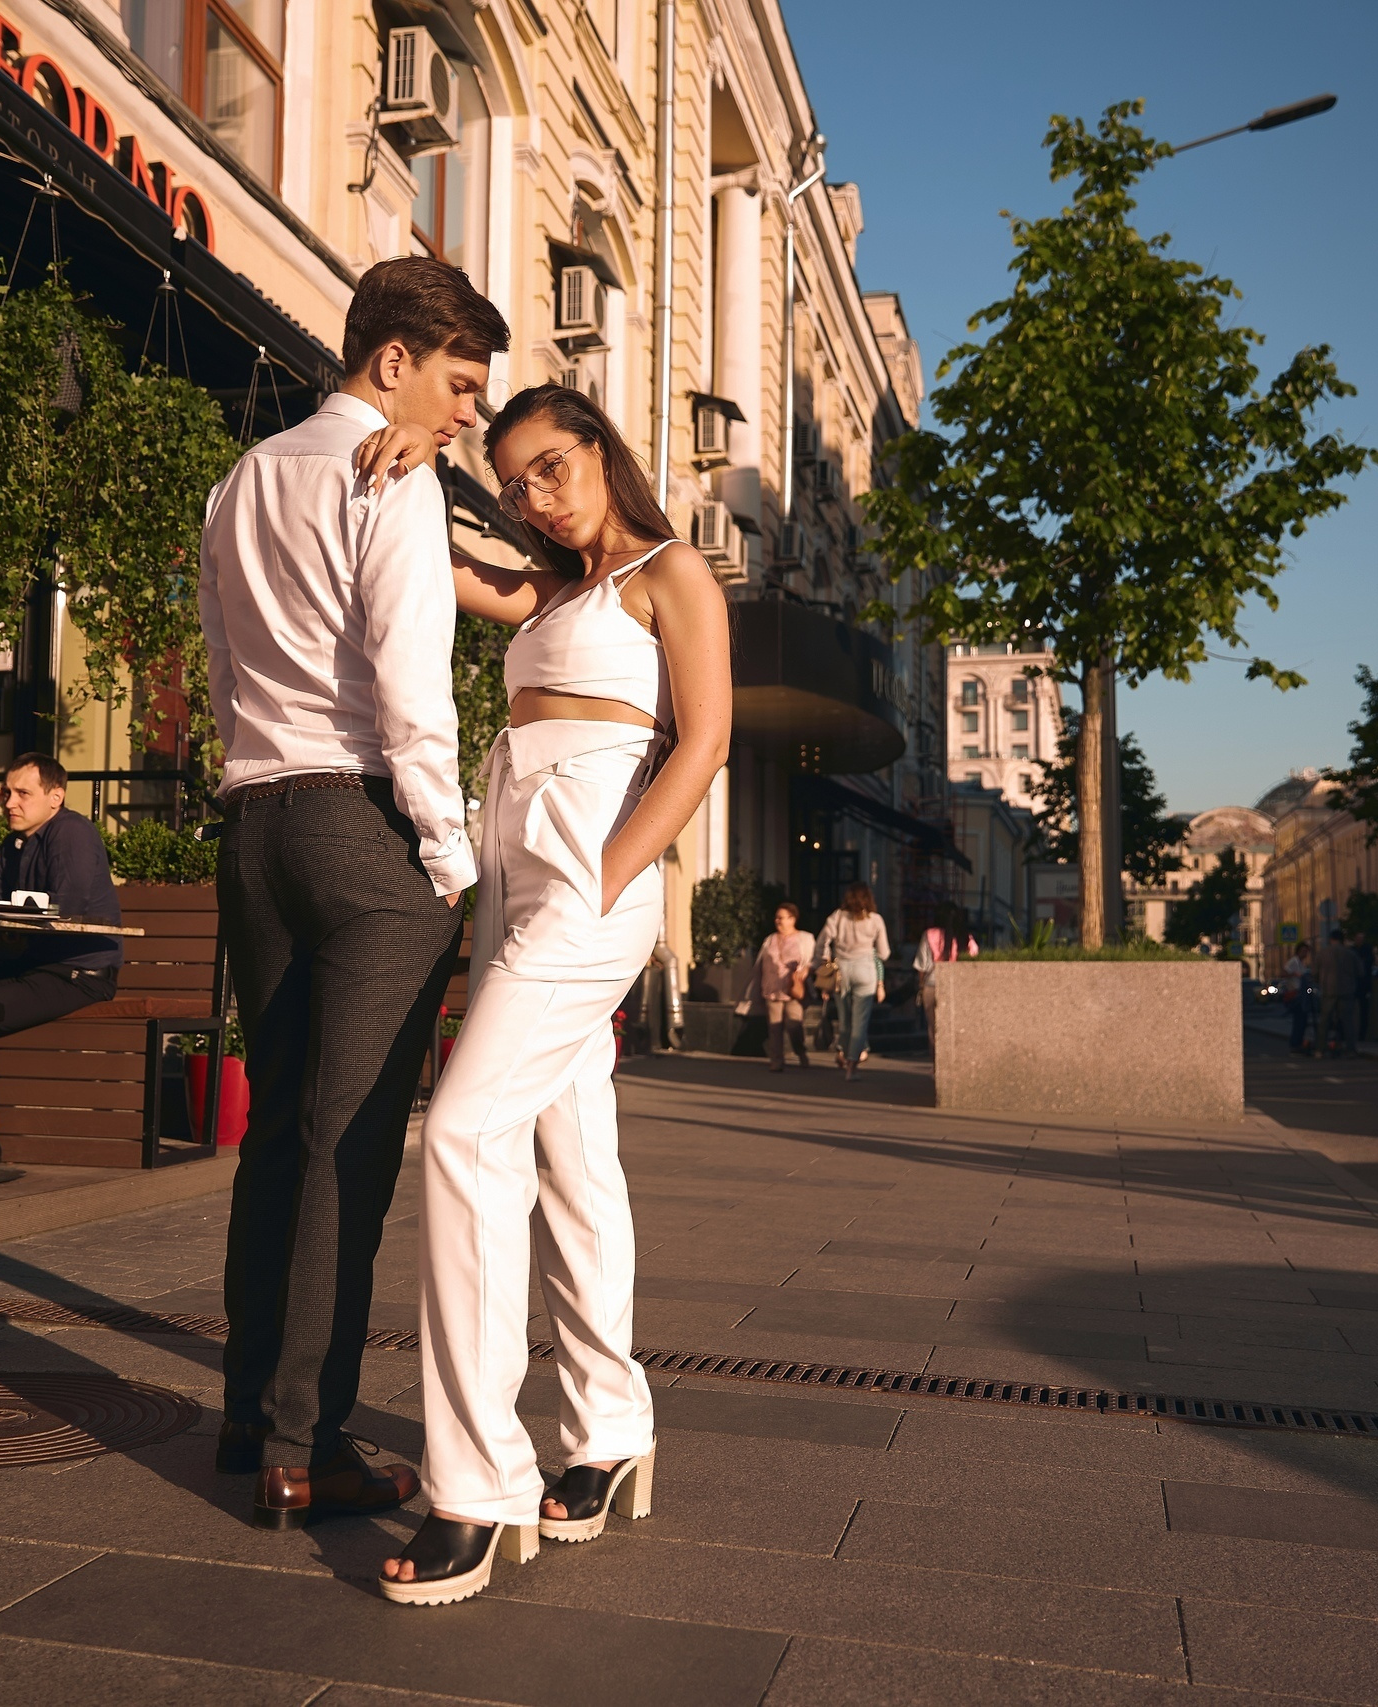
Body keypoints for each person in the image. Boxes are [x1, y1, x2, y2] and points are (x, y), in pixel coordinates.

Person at [364, 380, 730, 1607]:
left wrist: (613, 873)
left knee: (464, 1133)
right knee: (574, 1154)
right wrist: (412, 446)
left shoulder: (669, 574)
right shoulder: (548, 591)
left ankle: (476, 1483)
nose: (534, 494)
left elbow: (705, 740)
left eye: (552, 466)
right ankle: (608, 1430)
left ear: (601, 451)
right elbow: (442, 560)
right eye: (514, 479)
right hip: (515, 857)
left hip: (586, 863)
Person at [195, 257, 504, 1545]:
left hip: (255, 820)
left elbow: (219, 655)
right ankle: (304, 1448)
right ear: (393, 362)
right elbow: (410, 687)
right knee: (349, 1145)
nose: (470, 415)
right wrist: (449, 854)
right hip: (365, 827)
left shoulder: (241, 478)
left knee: (278, 1135)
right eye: (460, 384)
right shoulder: (396, 480)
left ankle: (248, 1413)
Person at [0, 753, 121, 1164]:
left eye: (22, 793)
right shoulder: (14, 843)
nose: (9, 802)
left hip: (79, 971)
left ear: (55, 797)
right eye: (8, 792)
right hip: (32, 965)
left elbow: (68, 908)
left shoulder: (71, 834)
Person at [816, 884, 891, 1079]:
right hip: (865, 970)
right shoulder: (875, 920)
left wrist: (826, 958)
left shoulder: (838, 916)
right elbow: (884, 953)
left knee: (845, 1019)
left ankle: (843, 1052)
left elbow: (823, 939)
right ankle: (852, 1065)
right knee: (860, 1021)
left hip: (841, 970)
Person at [753, 902, 815, 1070]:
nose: (778, 921)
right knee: (774, 1027)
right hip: (771, 988)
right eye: (777, 918)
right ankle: (777, 1061)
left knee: (794, 1025)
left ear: (792, 919)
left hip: (793, 989)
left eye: (782, 918)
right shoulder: (770, 939)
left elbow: (814, 960)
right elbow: (760, 964)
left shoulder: (805, 938)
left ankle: (800, 1051)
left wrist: (807, 969)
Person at [913, 903, 976, 1050]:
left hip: (932, 984)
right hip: (958, 986)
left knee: (934, 1030)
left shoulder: (929, 934)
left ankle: (937, 1066)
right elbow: (974, 960)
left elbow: (922, 965)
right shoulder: (966, 938)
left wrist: (921, 985)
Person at [1315, 927, 1361, 1057]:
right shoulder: (1350, 954)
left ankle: (1320, 1050)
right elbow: (1360, 972)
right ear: (1342, 940)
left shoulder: (1322, 953)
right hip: (1347, 991)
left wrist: (1321, 982)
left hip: (1328, 991)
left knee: (1324, 1021)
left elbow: (1314, 973)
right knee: (1348, 1021)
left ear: (1331, 939)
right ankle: (1350, 1049)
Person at [1280, 944, 1312, 1054]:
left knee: (1302, 1020)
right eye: (1303, 951)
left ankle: (1298, 1043)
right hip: (1295, 994)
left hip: (1301, 994)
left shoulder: (1301, 963)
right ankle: (1295, 1044)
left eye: (1306, 951)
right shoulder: (1294, 961)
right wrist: (1294, 974)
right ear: (1298, 951)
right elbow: (1283, 972)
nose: (1305, 953)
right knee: (1299, 1020)